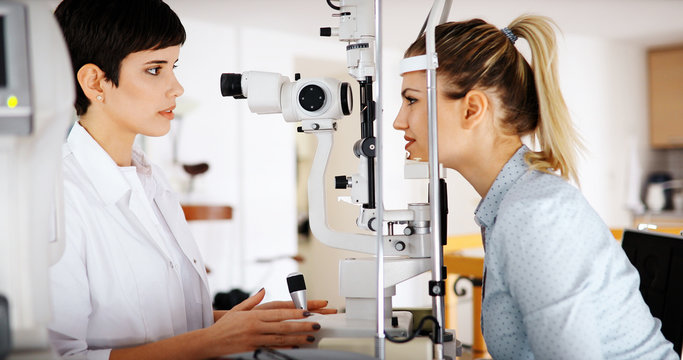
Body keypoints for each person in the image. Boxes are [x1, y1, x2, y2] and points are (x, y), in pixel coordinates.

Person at [49, 0, 334, 359]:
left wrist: (245, 324)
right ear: (95, 81)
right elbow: (58, 356)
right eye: (155, 70)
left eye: (174, 67)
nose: (177, 87)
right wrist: (217, 340)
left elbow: (164, 322)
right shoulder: (55, 195)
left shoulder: (152, 182)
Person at [393, 15, 678, 359]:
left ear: (472, 109)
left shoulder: (533, 214)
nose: (398, 121)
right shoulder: (511, 205)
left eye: (411, 100)